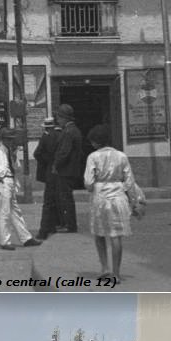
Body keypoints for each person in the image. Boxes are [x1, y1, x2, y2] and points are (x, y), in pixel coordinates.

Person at [83, 123, 146, 284]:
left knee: (99, 233)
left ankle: (105, 269)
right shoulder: (122, 156)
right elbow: (130, 182)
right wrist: (134, 202)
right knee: (116, 235)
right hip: (118, 196)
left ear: (96, 142)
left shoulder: (93, 157)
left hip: (100, 198)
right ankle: (116, 273)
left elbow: (88, 182)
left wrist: (94, 185)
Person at [0, 130, 42, 251]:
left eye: (12, 139)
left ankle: (26, 238)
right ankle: (5, 241)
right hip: (2, 183)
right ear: (3, 140)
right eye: (8, 139)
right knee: (5, 212)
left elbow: (17, 168)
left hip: (11, 182)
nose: (11, 141)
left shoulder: (9, 152)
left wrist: (14, 156)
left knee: (15, 211)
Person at [52, 104, 83, 233]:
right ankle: (68, 223)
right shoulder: (74, 130)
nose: (57, 120)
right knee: (66, 197)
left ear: (64, 118)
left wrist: (56, 165)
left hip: (66, 170)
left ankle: (69, 224)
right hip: (71, 169)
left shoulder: (68, 132)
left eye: (58, 117)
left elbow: (64, 152)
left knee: (65, 198)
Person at [33, 116, 60, 240]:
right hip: (58, 171)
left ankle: (44, 230)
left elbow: (37, 153)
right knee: (55, 200)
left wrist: (46, 163)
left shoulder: (45, 137)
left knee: (47, 202)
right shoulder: (60, 135)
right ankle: (53, 226)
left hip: (49, 171)